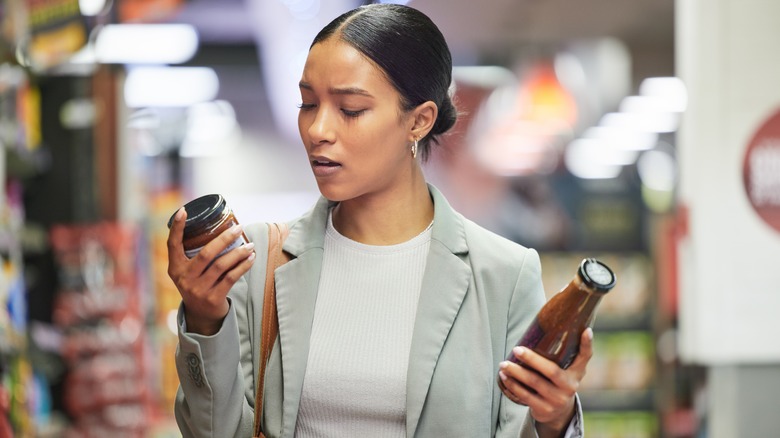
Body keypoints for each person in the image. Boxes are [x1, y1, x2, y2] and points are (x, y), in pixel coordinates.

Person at [167, 4, 592, 437]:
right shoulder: (259, 264)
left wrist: (555, 419)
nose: (318, 129)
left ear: (419, 121)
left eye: (350, 109)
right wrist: (204, 322)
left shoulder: (503, 275)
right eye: (308, 104)